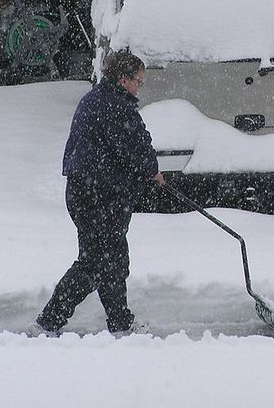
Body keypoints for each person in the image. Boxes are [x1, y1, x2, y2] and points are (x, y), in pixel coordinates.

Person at [32, 49, 164, 337]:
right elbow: (133, 147)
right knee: (96, 262)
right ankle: (48, 323)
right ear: (122, 79)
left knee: (112, 260)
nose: (139, 87)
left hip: (91, 193)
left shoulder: (99, 99)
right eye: (138, 81)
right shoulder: (114, 105)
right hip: (97, 196)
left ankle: (120, 323)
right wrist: (151, 169)